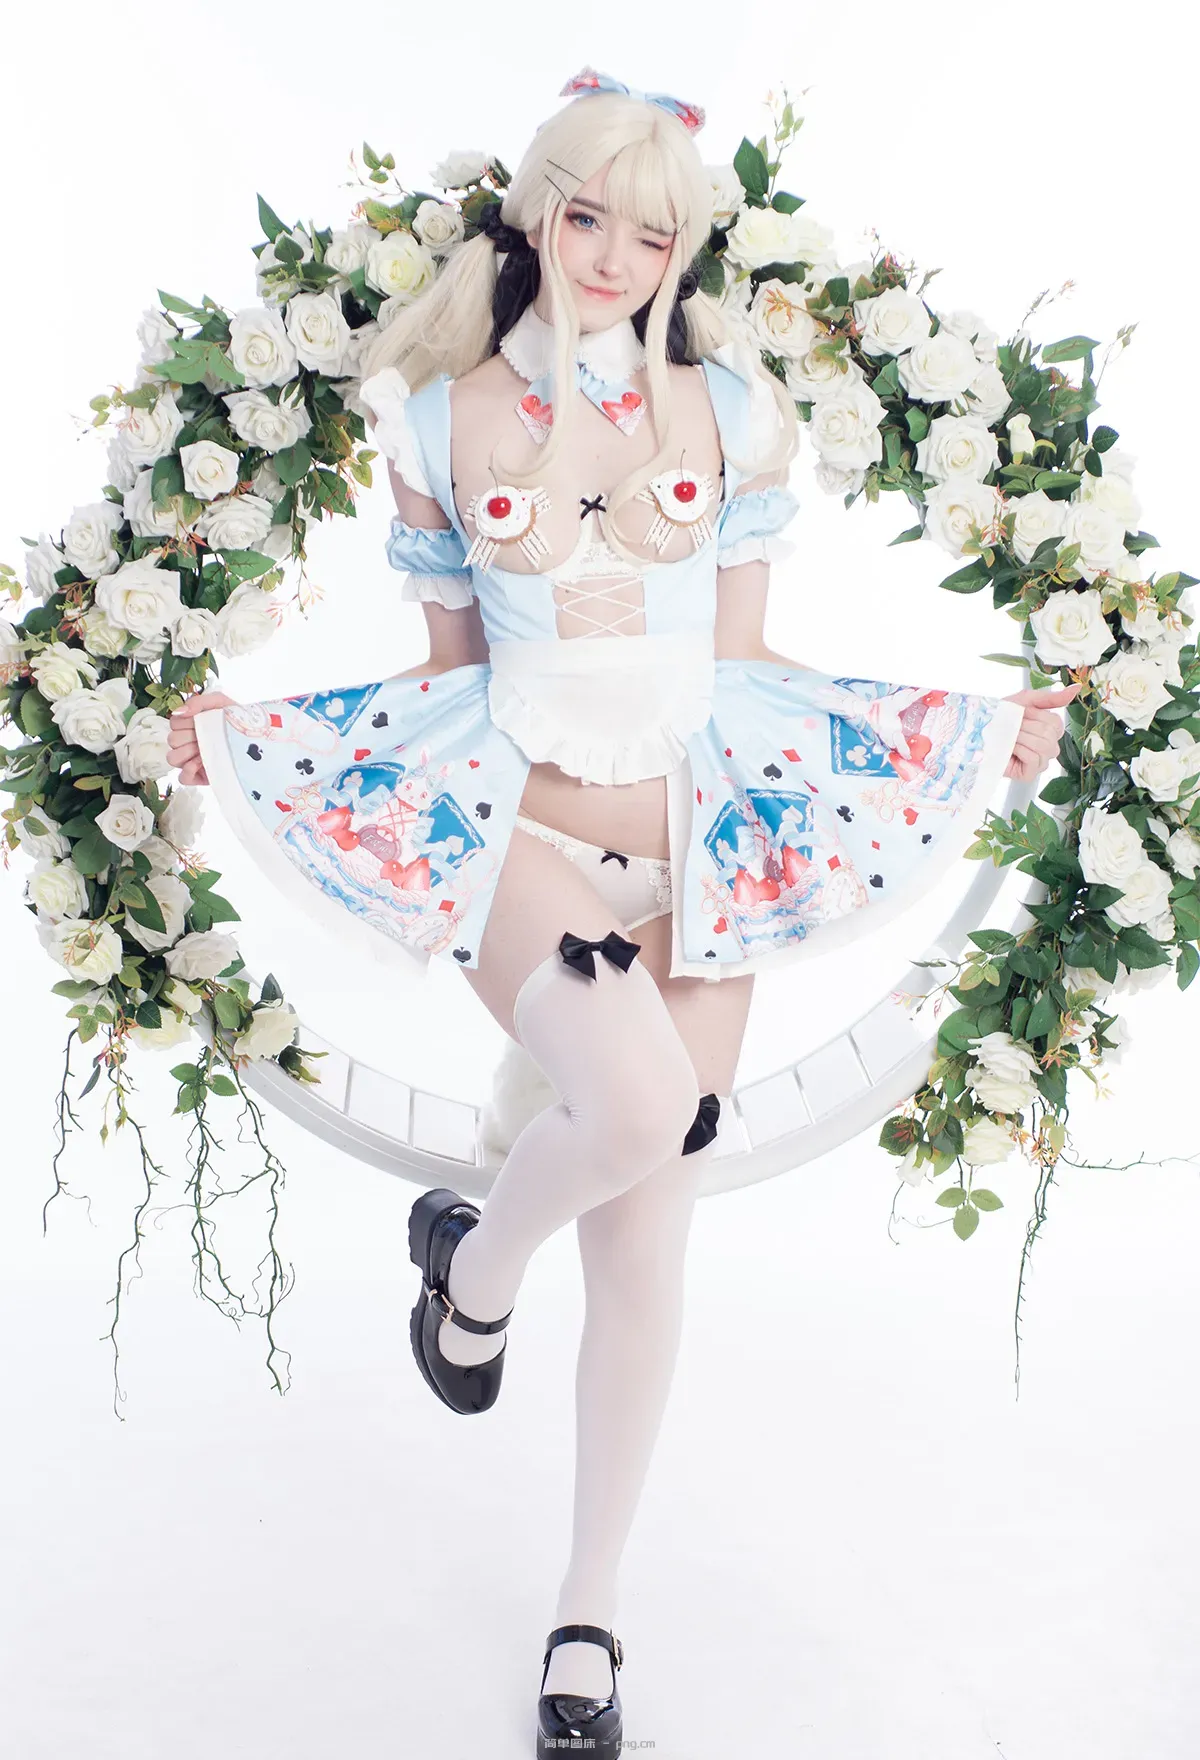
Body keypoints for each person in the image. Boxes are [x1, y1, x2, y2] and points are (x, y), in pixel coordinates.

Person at [167, 71, 1076, 1758]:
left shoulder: (725, 406)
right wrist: (248, 735)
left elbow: (743, 664)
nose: (610, 256)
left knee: (650, 1236)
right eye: (587, 216)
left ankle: (587, 1610)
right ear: (538, 210)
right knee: (641, 1106)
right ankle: (477, 1277)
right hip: (518, 827)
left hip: (703, 835)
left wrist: (957, 728)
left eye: (650, 234)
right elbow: (449, 677)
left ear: (681, 250)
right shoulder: (441, 417)